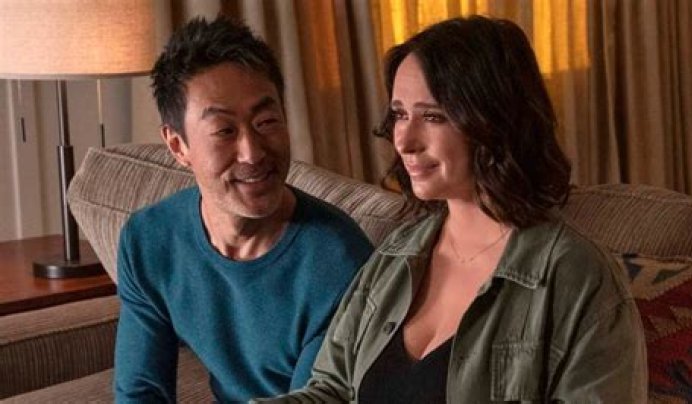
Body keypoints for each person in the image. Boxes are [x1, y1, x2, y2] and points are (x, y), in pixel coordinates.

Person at [254, 15, 647, 403]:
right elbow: (332, 391)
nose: (404, 141)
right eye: (400, 114)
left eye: (432, 116)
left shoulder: (577, 277)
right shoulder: (394, 256)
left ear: (493, 121)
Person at [113, 16, 373, 402]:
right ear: (178, 146)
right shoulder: (148, 240)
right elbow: (141, 391)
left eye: (266, 122)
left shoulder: (340, 261)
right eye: (224, 131)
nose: (252, 153)